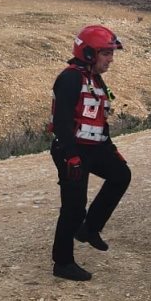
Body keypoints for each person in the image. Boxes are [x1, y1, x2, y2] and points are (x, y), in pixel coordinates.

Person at [49, 25, 132, 281]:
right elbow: (62, 121)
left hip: (95, 147)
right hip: (70, 150)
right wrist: (71, 155)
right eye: (106, 53)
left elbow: (98, 119)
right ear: (88, 53)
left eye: (111, 53)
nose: (110, 59)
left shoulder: (94, 78)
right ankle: (62, 263)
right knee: (73, 208)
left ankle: (89, 229)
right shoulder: (71, 78)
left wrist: (111, 148)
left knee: (121, 175)